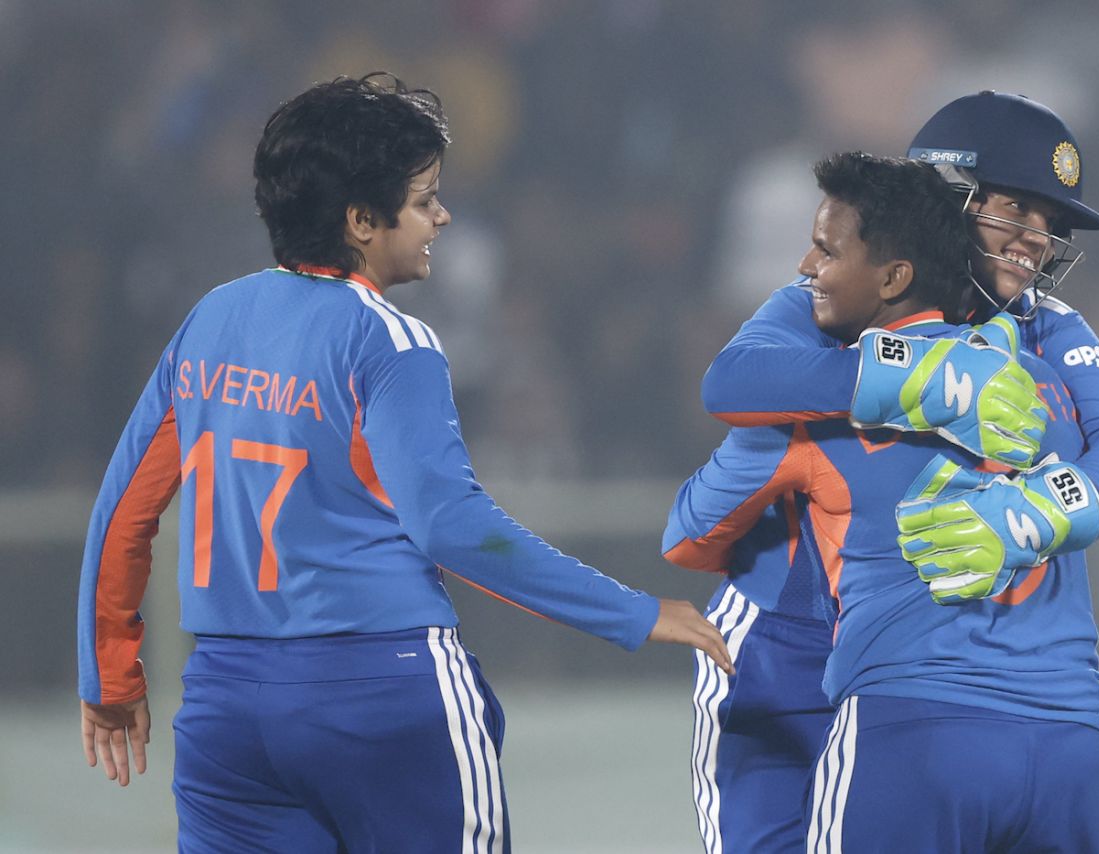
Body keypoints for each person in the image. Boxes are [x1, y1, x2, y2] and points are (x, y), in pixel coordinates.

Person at [76, 73, 732, 853]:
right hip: (383, 695)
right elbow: (452, 527)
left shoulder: (211, 319)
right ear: (361, 219)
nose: (441, 216)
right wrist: (634, 611)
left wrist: (110, 676)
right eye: (425, 199)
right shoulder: (388, 341)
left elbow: (124, 509)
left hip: (228, 708)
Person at [668, 92, 1099, 851]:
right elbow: (732, 381)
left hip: (912, 667)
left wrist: (1030, 514)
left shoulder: (1047, 322)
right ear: (949, 193)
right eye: (1018, 211)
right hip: (787, 645)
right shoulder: (842, 292)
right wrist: (919, 380)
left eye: (1051, 224)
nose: (1038, 241)